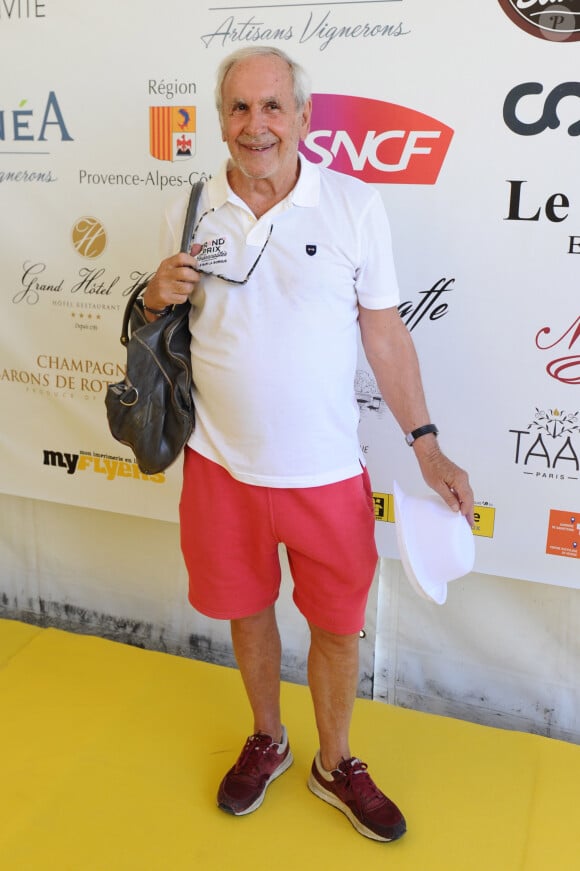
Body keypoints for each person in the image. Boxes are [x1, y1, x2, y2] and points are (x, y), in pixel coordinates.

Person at [142, 46, 474, 843]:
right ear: (222, 118)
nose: (256, 126)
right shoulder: (190, 207)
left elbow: (387, 336)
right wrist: (153, 292)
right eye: (239, 109)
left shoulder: (354, 205)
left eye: (272, 107)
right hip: (221, 467)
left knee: (335, 625)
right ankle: (269, 736)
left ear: (303, 117)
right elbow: (159, 323)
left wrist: (426, 445)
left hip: (325, 475)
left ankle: (336, 760)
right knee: (249, 613)